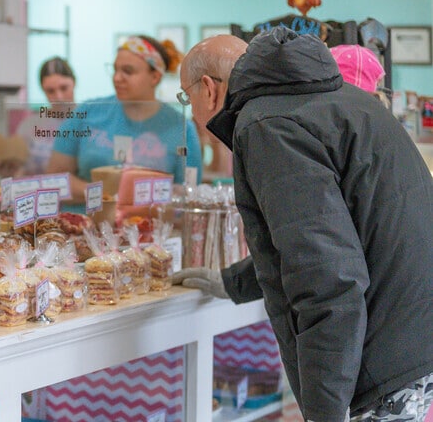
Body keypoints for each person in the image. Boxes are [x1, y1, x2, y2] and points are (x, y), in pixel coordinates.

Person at [174, 28, 433, 421]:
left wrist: (323, 411)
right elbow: (330, 234)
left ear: (207, 89)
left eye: (184, 96)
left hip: (383, 365)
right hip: (412, 344)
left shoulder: (267, 125)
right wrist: (233, 282)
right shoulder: (338, 100)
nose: (190, 109)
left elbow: (328, 278)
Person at [46, 35, 202, 208]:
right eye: (115, 70)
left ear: (155, 77)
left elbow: (189, 194)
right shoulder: (87, 113)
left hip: (147, 229)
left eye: (128, 71)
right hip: (83, 226)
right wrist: (103, 195)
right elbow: (54, 179)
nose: (117, 78)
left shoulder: (181, 128)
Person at [0, 56, 76, 178]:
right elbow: (19, 171)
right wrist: (8, 169)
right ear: (43, 91)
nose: (59, 97)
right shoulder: (30, 125)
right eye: (50, 91)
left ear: (74, 83)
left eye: (64, 88)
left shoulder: (89, 120)